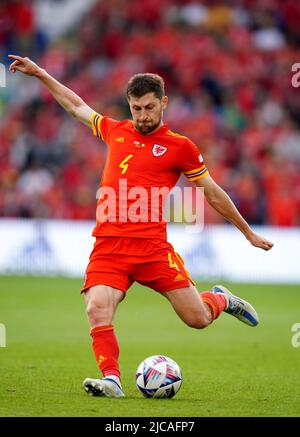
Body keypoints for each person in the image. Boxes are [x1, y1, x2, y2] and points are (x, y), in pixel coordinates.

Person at [9, 54, 274, 398]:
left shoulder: (181, 147)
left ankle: (221, 300)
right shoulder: (115, 130)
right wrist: (41, 74)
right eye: (136, 108)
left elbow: (212, 193)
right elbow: (76, 106)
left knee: (197, 319)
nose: (142, 116)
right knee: (96, 307)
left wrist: (248, 232)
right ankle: (112, 380)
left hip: (152, 249)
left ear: (163, 102)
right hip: (109, 247)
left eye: (149, 108)